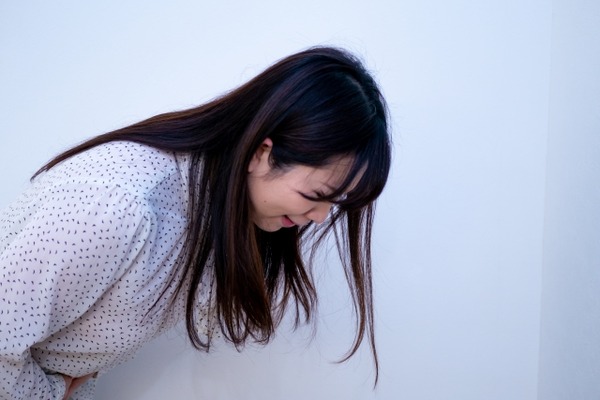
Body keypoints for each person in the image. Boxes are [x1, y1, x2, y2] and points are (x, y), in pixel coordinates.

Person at [0, 46, 391, 399]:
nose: (320, 217)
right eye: (315, 195)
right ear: (262, 152)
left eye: (334, 204)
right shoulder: (118, 208)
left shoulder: (208, 209)